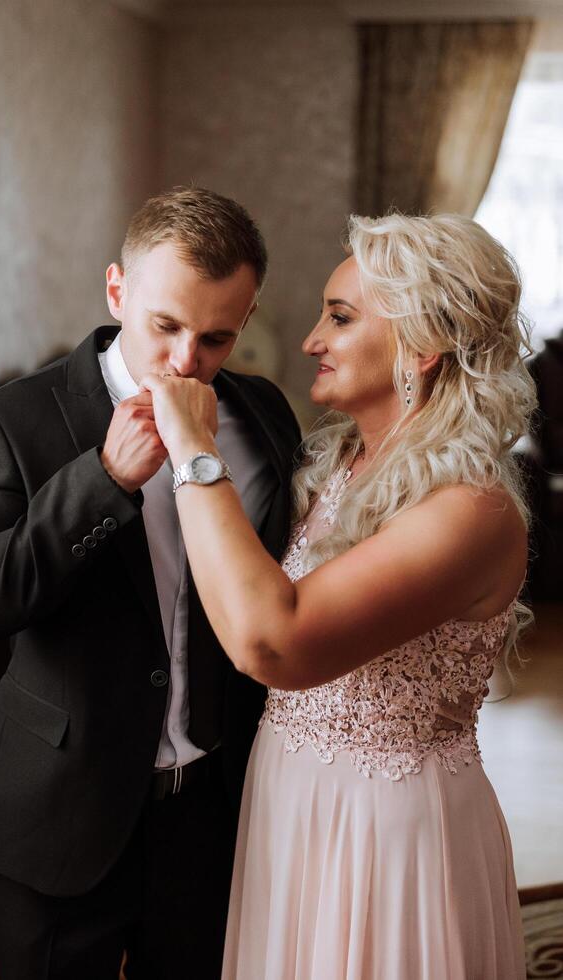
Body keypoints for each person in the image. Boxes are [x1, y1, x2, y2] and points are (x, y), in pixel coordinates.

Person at [142, 212, 536, 980]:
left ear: (421, 346)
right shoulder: (344, 466)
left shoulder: (469, 510)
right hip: (290, 801)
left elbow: (273, 643)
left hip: (385, 833)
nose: (310, 340)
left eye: (341, 316)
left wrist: (193, 450)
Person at [0, 187, 300, 980]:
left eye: (215, 338)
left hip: (211, 820)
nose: (183, 362)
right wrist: (100, 480)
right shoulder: (12, 419)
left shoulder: (264, 415)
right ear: (116, 290)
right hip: (58, 821)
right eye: (165, 326)